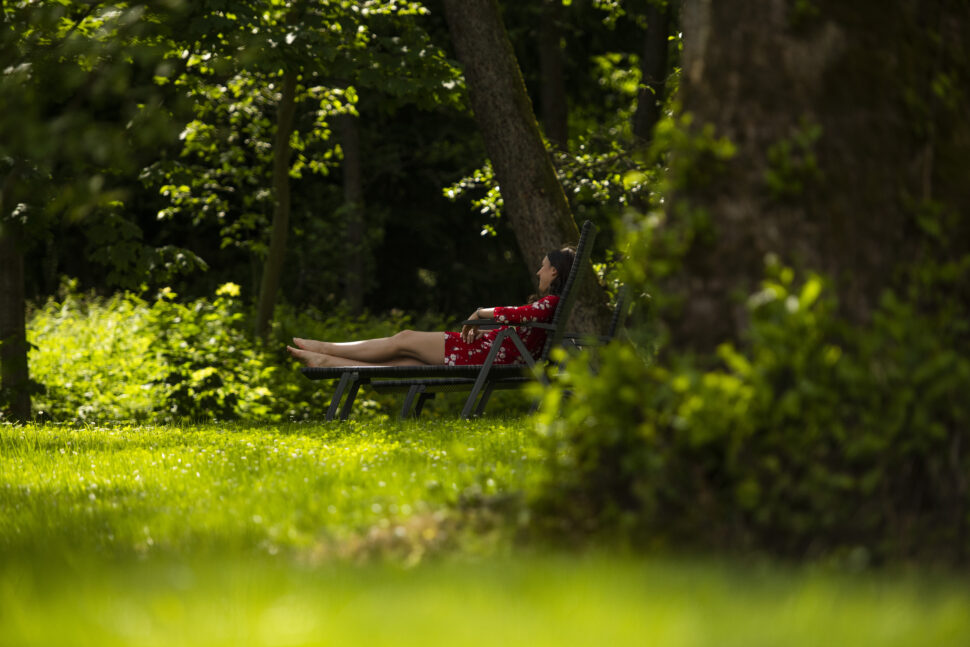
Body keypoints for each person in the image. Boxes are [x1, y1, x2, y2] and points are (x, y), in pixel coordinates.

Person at [286, 246, 576, 368]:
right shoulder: (549, 304)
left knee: (405, 338)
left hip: (486, 355)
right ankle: (328, 361)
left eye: (543, 267)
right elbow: (520, 318)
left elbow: (517, 314)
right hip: (487, 351)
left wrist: (479, 313)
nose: (539, 273)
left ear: (554, 273)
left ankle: (326, 349)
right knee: (407, 361)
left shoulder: (550, 302)